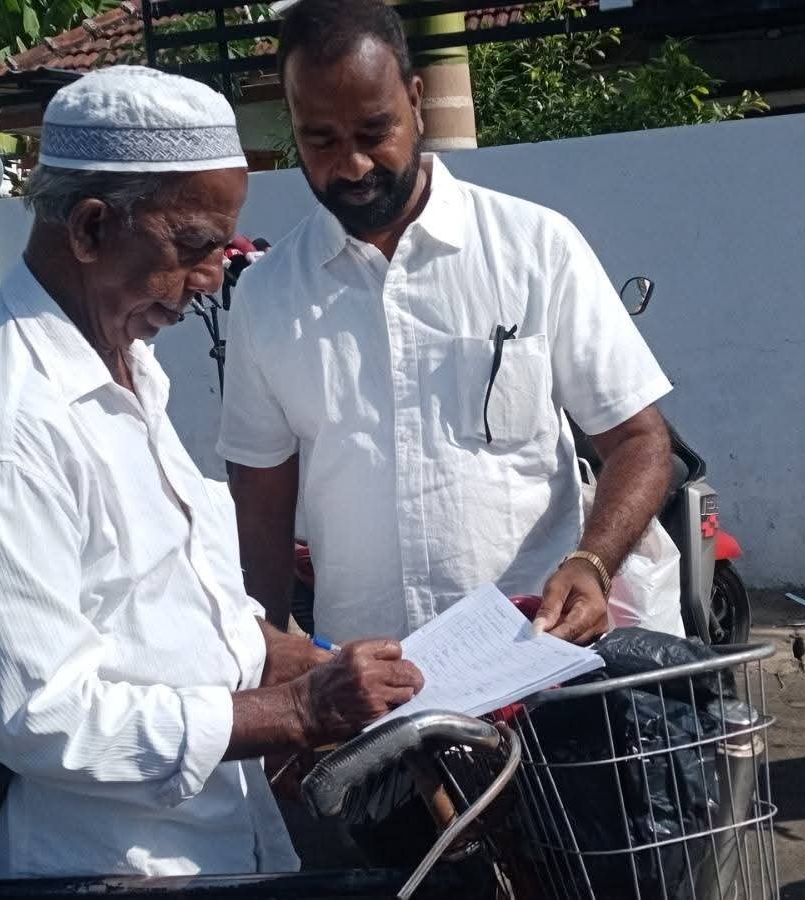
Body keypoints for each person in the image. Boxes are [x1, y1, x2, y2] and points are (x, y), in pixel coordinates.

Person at [0, 65, 423, 880]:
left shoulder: (126, 368)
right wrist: (296, 711)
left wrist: (278, 654)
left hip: (211, 842)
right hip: (102, 866)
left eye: (222, 247)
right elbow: (43, 717)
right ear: (91, 228)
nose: (212, 277)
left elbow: (159, 602)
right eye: (194, 246)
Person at [218, 0, 677, 648]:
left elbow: (639, 441)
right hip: (372, 684)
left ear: (416, 101)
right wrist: (266, 657)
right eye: (320, 140)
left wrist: (593, 563)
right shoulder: (267, 295)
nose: (352, 164)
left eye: (374, 131)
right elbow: (261, 499)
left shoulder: (535, 249)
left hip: (535, 659)